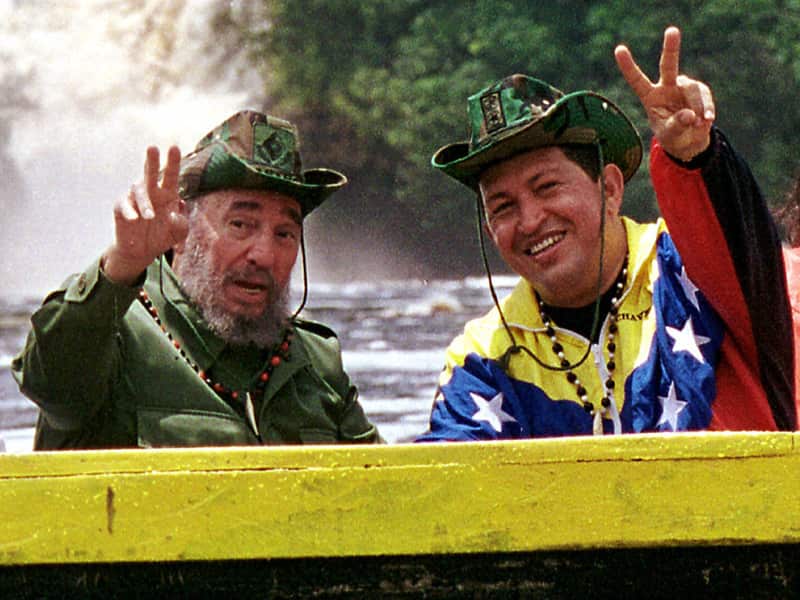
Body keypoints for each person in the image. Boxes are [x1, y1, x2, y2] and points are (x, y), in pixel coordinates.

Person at [418, 27, 795, 441]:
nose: (529, 221)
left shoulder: (692, 271)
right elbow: (447, 466)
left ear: (611, 188)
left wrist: (693, 156)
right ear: (491, 232)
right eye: (503, 208)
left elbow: (742, 245)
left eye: (547, 188)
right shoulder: (482, 356)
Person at [12, 110, 382, 449]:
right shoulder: (112, 332)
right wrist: (123, 263)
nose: (264, 255)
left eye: (284, 234)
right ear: (181, 229)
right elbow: (49, 381)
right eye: (241, 225)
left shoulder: (315, 363)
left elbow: (388, 488)